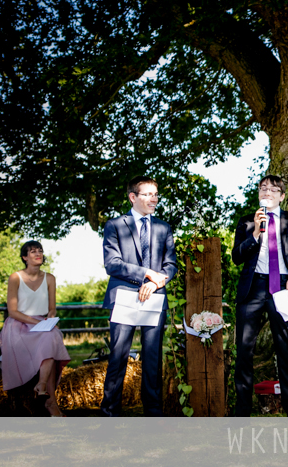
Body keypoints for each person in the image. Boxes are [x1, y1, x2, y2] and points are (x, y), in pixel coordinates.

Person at [232, 175, 288, 417]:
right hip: (253, 289)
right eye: (263, 188)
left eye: (273, 189)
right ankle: (242, 411)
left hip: (283, 287)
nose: (267, 192)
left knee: (285, 350)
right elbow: (237, 257)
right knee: (244, 350)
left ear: (282, 195)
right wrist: (255, 235)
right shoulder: (247, 222)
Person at [100, 176, 177, 417]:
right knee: (118, 356)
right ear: (133, 197)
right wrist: (146, 274)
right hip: (123, 296)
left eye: (156, 194)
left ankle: (153, 411)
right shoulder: (114, 225)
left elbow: (171, 265)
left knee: (152, 358)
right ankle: (110, 411)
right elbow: (112, 264)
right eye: (148, 194)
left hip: (154, 297)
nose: (154, 198)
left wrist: (154, 283)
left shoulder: (164, 228)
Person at [0, 241, 70, 416]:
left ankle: (42, 384)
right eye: (32, 251)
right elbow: (12, 311)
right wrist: (37, 324)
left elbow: (52, 308)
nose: (38, 254)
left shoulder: (50, 278)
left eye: (40, 251)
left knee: (51, 335)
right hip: (18, 325)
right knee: (51, 338)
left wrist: (50, 318)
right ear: (25, 257)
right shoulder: (15, 278)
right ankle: (50, 402)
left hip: (41, 323)